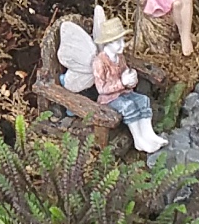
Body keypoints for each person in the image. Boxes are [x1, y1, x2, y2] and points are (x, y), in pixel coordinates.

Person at [58, 8, 165, 153]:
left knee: (143, 100)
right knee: (128, 106)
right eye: (117, 42)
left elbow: (124, 74)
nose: (122, 45)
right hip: (109, 99)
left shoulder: (120, 57)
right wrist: (122, 83)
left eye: (122, 40)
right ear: (107, 43)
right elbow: (101, 89)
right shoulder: (99, 62)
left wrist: (131, 79)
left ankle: (149, 135)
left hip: (124, 93)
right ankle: (138, 139)